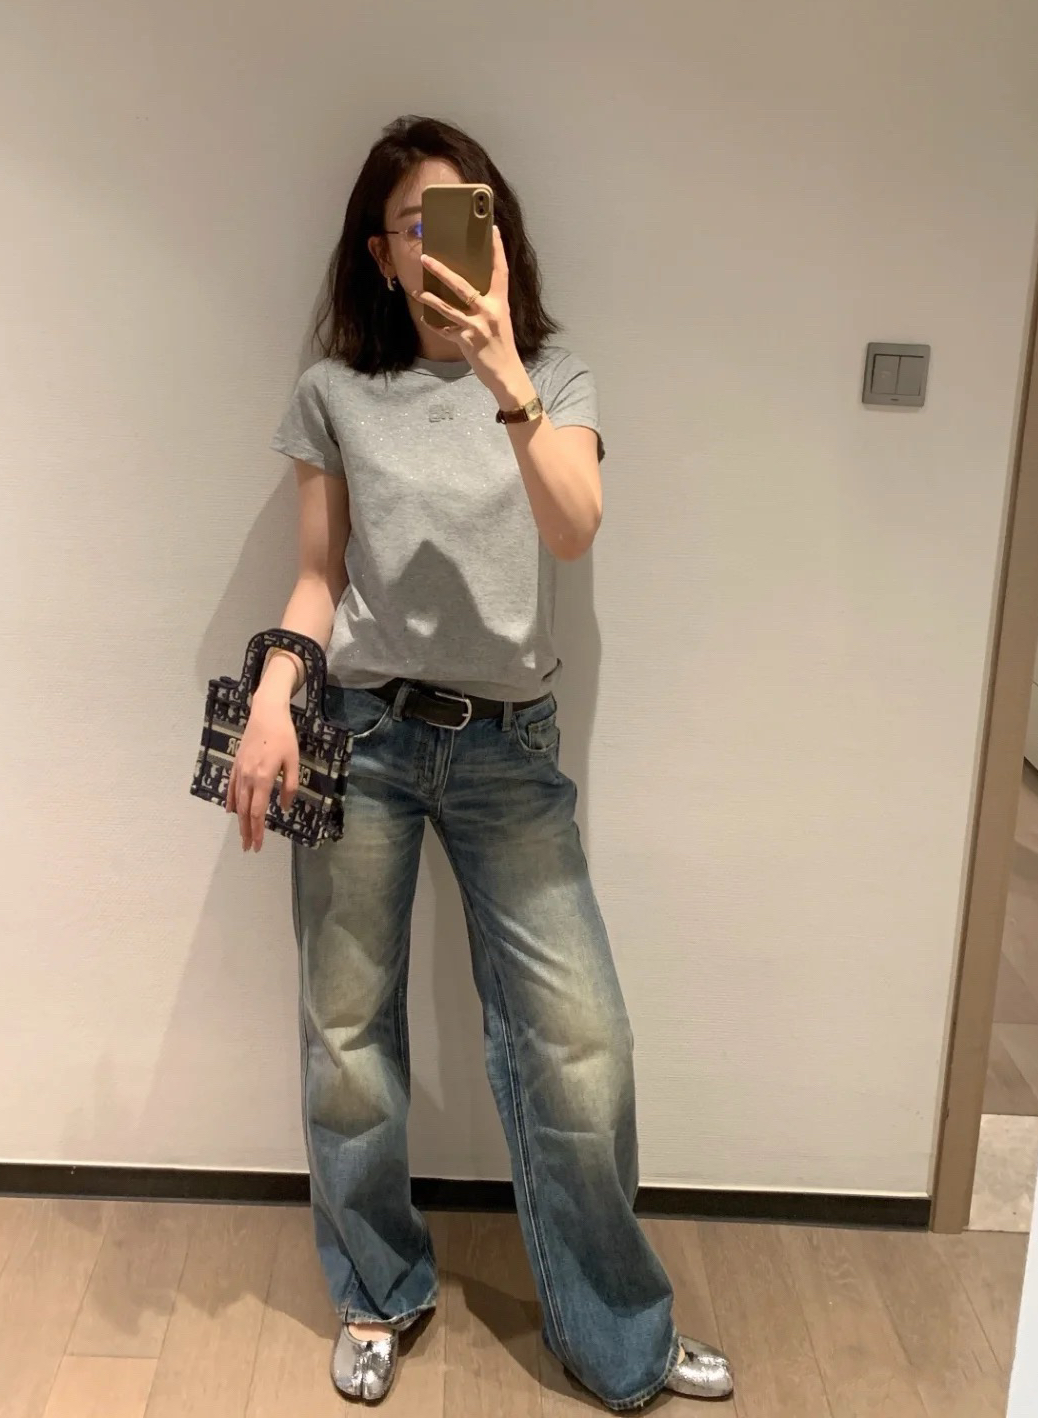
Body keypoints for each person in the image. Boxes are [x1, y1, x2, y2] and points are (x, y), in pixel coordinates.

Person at [227, 115, 732, 1410]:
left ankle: (616, 1337)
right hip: (363, 737)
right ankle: (376, 1290)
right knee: (347, 1033)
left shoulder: (555, 374)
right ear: (381, 254)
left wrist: (506, 372)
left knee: (581, 1045)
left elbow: (574, 529)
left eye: (474, 216)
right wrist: (275, 695)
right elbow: (317, 576)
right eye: (421, 223)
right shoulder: (335, 391)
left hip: (509, 747)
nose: (451, 243)